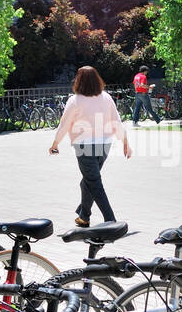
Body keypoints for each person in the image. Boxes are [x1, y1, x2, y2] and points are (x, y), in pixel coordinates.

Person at [49, 65, 131, 226]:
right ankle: (84, 216)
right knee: (88, 181)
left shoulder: (75, 100)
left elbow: (64, 124)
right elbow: (116, 121)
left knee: (94, 182)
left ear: (78, 81)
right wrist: (125, 142)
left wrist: (55, 143)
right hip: (104, 145)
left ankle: (110, 220)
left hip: (84, 146)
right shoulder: (106, 98)